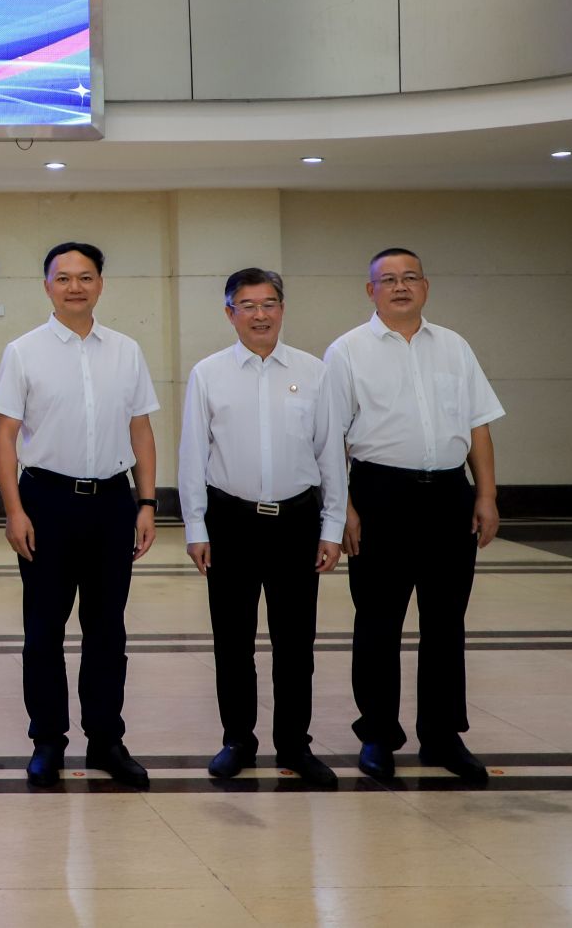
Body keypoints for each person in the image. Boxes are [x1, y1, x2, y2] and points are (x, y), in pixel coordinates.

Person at [326, 248, 504, 784]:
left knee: (446, 621)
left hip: (449, 495)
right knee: (378, 621)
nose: (400, 286)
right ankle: (378, 734)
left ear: (425, 286)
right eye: (388, 279)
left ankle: (443, 734)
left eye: (410, 278)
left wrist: (486, 495)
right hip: (380, 495)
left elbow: (477, 426)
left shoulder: (454, 346)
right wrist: (344, 508)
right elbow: (330, 438)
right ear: (371, 291)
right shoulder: (347, 351)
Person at [0, 241, 160, 789]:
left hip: (112, 501)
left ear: (100, 285)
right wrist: (13, 510)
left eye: (85, 277)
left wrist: (146, 502)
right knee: (43, 629)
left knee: (107, 628)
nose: (74, 287)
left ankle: (106, 739)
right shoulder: (23, 352)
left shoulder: (126, 351)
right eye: (63, 278)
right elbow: (4, 436)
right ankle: (47, 741)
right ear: (47, 286)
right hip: (46, 501)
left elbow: (141, 430)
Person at [179, 267, 345, 789]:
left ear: (282, 309)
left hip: (296, 521)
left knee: (296, 643)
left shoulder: (314, 372)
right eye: (247, 305)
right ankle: (238, 740)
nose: (259, 315)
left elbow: (330, 453)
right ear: (229, 313)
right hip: (230, 521)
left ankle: (295, 743)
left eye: (269, 303)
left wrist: (333, 525)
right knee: (233, 641)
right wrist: (195, 527)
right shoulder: (208, 373)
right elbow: (192, 454)